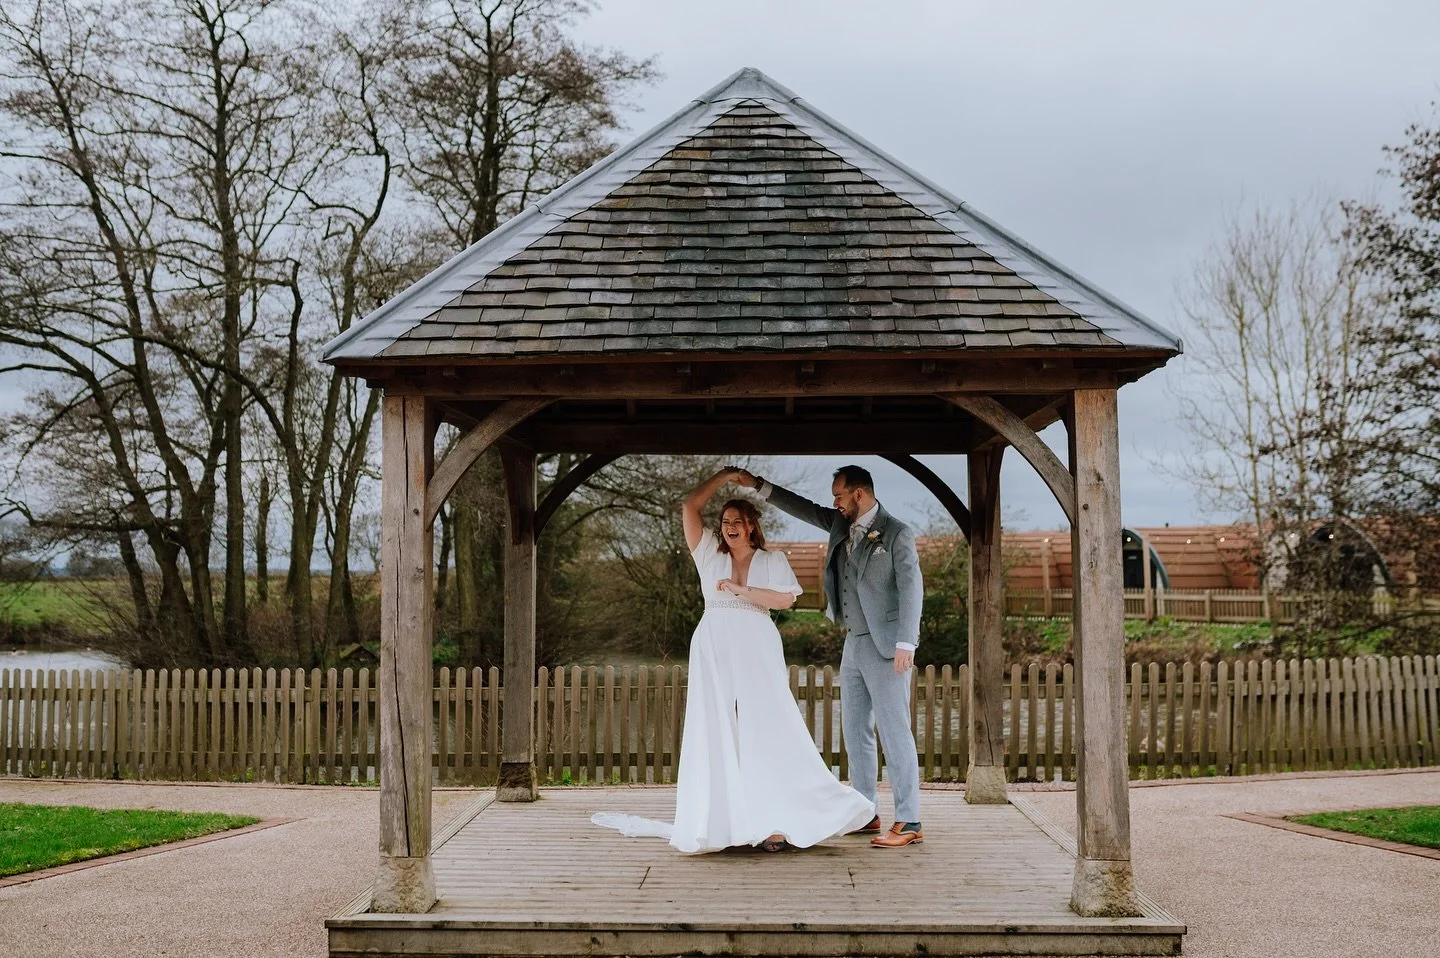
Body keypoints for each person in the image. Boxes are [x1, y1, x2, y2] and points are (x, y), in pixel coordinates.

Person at [592, 467, 873, 854]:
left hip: (757, 643)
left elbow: (784, 600)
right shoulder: (707, 551)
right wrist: (724, 477)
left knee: (767, 726)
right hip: (714, 644)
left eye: (738, 521)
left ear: (753, 526)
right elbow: (689, 505)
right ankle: (722, 820)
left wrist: (742, 589)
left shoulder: (772, 560)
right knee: (717, 727)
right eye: (726, 522)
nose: (730, 527)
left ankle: (775, 822)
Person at [735, 465, 925, 848]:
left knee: (894, 731)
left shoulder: (897, 532)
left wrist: (907, 642)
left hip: (888, 645)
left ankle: (909, 820)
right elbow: (802, 508)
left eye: (839, 495)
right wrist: (758, 485)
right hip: (853, 641)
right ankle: (865, 811)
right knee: (854, 730)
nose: (833, 502)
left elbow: (911, 587)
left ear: (859, 494)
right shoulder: (840, 523)